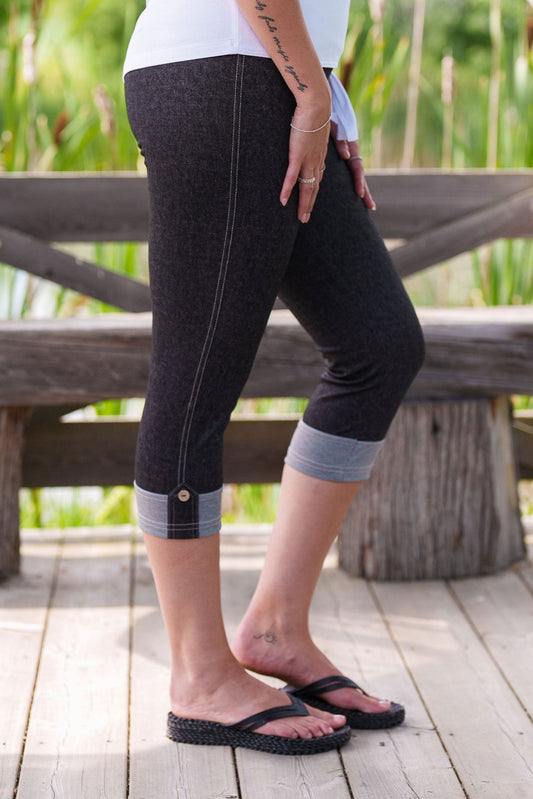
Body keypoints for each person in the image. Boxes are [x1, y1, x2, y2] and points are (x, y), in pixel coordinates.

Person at [123, 0, 425, 756]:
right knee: (194, 382)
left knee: (377, 344)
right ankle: (199, 674)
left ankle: (274, 627)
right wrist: (313, 94)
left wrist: (327, 96)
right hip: (223, 77)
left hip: (279, 75)